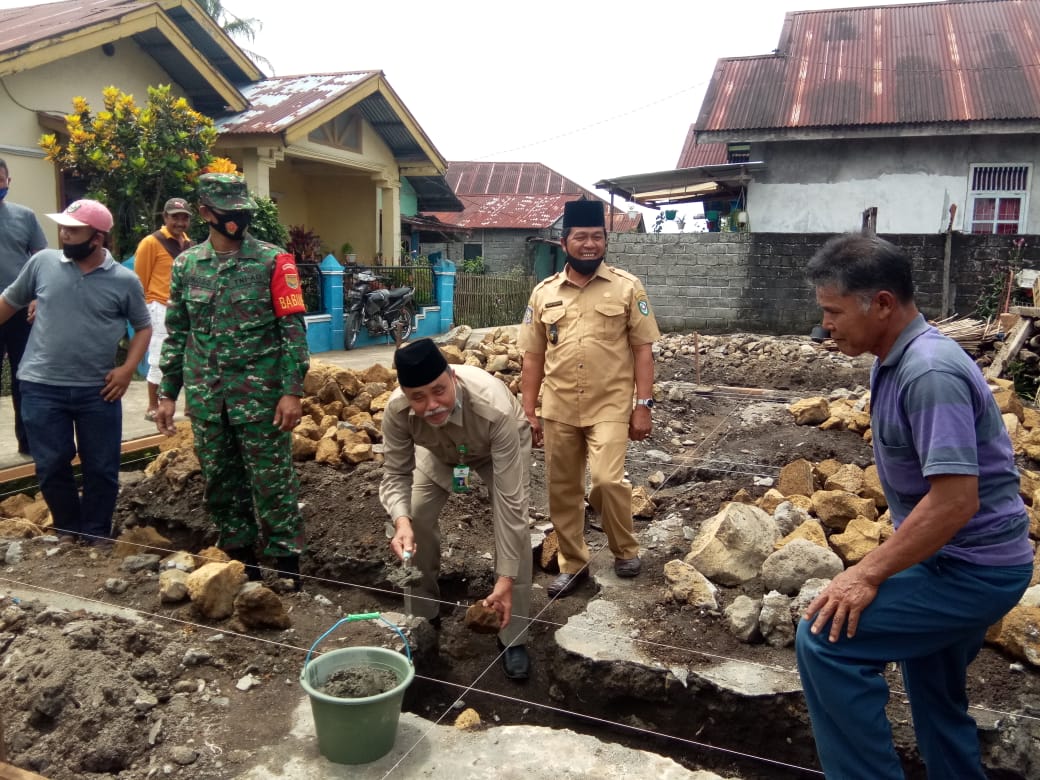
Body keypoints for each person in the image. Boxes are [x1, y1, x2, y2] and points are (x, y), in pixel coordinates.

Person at [797, 234, 1034, 779]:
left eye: (833, 312)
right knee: (934, 691)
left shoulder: (928, 372)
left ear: (881, 303)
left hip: (973, 568)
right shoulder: (896, 355)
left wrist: (866, 572)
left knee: (825, 641)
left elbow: (954, 502)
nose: (825, 325)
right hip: (960, 557)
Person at [156, 173, 310, 587]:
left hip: (261, 399)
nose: (238, 220)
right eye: (229, 213)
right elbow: (178, 333)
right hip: (208, 401)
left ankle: (288, 570)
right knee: (222, 487)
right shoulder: (187, 265)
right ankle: (243, 568)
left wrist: (292, 390)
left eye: (243, 213)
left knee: (273, 485)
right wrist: (168, 393)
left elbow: (293, 332)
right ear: (206, 212)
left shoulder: (274, 260)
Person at [518, 199, 660, 598]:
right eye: (580, 237)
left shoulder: (627, 287)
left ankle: (624, 548)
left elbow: (643, 349)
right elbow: (532, 356)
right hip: (560, 406)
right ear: (564, 242)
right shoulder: (543, 293)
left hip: (611, 405)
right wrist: (529, 411)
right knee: (562, 490)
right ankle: (573, 565)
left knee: (606, 481)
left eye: (597, 237)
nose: (589, 244)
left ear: (606, 241)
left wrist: (643, 405)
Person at [0, 199, 150, 546]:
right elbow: (9, 302)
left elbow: (142, 327)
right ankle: (68, 529)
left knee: (101, 467)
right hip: (40, 385)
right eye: (63, 228)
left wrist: (127, 370)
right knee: (51, 464)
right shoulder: (42, 263)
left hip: (97, 390)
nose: (64, 234)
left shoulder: (124, 281)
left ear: (97, 238)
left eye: (73, 230)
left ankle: (95, 532)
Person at [382, 338, 533, 681]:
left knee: (515, 533)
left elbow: (511, 505)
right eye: (417, 397)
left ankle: (513, 636)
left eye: (439, 391)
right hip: (440, 453)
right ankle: (422, 619)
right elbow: (394, 474)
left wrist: (505, 576)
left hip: (497, 449)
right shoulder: (397, 411)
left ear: (452, 376)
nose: (431, 405)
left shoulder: (493, 409)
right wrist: (400, 520)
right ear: (405, 393)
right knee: (415, 517)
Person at [0, 159, 48, 455]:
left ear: (8, 181)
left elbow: (41, 259)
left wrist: (37, 297)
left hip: (20, 310)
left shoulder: (25, 216)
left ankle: (28, 443)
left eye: (0, 178)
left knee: (25, 377)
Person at [134, 197, 193, 421]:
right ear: (165, 217)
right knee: (159, 357)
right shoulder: (151, 243)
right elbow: (139, 281)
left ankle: (189, 407)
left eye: (184, 217)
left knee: (190, 356)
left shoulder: (189, 244)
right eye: (175, 217)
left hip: (185, 307)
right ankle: (153, 405)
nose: (179, 222)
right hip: (159, 307)